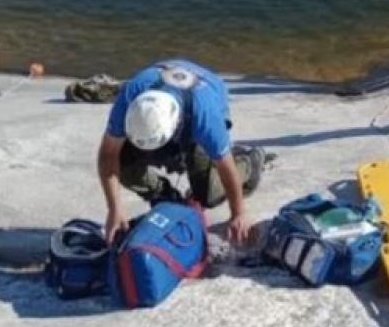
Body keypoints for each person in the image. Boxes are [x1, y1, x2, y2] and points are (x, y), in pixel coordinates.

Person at [96, 59, 264, 245]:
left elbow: (226, 166)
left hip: (205, 94)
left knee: (208, 194)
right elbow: (108, 154)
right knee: (123, 162)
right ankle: (164, 195)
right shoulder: (130, 98)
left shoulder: (205, 117)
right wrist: (114, 209)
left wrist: (238, 213)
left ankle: (250, 162)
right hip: (164, 81)